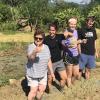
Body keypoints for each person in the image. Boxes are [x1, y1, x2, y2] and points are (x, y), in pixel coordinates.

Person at [26, 29, 55, 100]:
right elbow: (30, 58)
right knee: (33, 91)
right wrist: (34, 52)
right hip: (33, 74)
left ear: (43, 39)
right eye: (36, 38)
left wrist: (52, 73)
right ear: (34, 38)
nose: (38, 40)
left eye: (40, 38)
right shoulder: (31, 46)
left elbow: (49, 60)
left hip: (43, 74)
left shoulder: (46, 47)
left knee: (41, 90)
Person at [44, 23, 67, 92]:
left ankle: (61, 88)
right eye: (50, 30)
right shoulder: (45, 39)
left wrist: (67, 33)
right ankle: (49, 90)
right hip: (50, 63)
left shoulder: (60, 36)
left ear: (56, 31)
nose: (51, 32)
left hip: (59, 61)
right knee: (49, 79)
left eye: (53, 30)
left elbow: (68, 33)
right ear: (48, 30)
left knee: (64, 78)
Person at [62, 17, 80, 87]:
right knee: (69, 73)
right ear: (68, 24)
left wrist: (79, 50)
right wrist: (67, 45)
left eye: (74, 24)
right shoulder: (65, 32)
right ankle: (69, 86)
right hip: (68, 55)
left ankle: (72, 82)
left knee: (76, 74)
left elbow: (76, 42)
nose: (73, 25)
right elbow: (63, 40)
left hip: (76, 54)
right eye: (71, 24)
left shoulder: (76, 31)